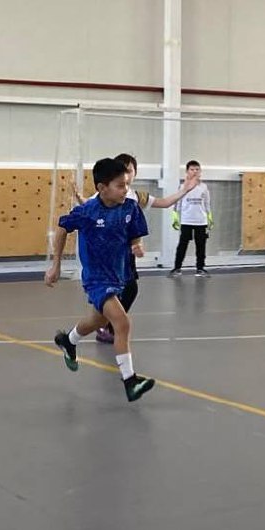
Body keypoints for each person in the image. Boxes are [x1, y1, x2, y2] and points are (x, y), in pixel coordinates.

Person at [45, 158, 155, 402]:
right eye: (120, 185)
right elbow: (62, 228)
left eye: (127, 184)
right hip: (96, 278)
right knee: (122, 323)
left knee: (98, 320)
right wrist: (56, 265)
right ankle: (130, 381)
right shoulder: (88, 212)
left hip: (119, 275)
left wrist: (137, 245)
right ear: (102, 188)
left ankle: (68, 340)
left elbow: (135, 235)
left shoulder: (130, 208)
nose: (125, 190)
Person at [73, 153, 199, 343]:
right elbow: (91, 207)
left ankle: (108, 324)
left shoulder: (136, 197)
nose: (127, 174)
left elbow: (164, 202)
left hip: (126, 253)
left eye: (130, 170)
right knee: (122, 289)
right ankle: (109, 325)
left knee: (128, 288)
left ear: (134, 173)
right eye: (123, 169)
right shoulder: (106, 194)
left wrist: (185, 190)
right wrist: (80, 199)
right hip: (107, 255)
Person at [169, 160, 213, 277]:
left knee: (201, 245)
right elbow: (177, 203)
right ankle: (177, 268)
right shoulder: (182, 186)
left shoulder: (204, 187)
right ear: (187, 172)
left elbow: (207, 204)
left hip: (201, 221)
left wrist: (209, 218)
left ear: (200, 172)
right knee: (182, 245)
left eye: (197, 169)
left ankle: (200, 268)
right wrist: (175, 218)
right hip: (186, 220)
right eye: (192, 169)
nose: (195, 172)